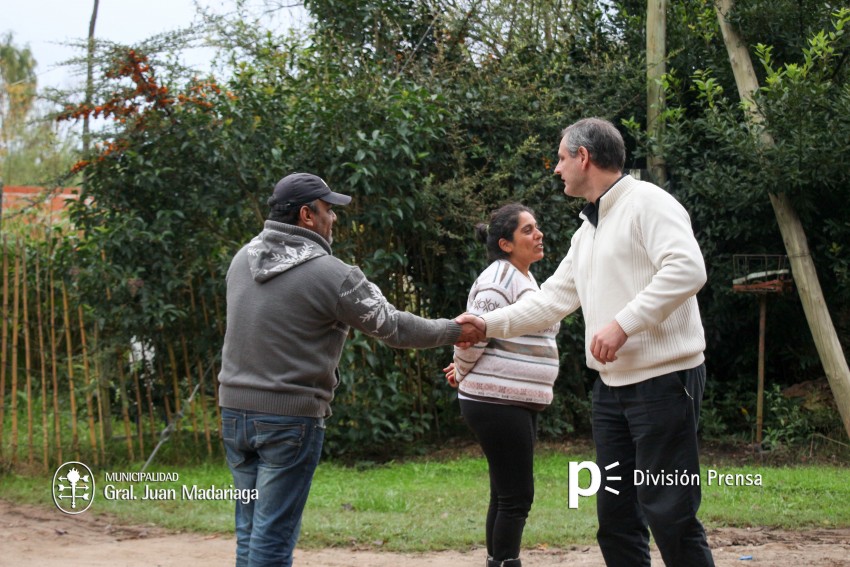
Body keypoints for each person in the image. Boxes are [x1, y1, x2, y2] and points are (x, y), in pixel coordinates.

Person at [456, 118, 715, 567]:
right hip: (610, 394)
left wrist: (623, 323)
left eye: (560, 158)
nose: (556, 169)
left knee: (669, 513)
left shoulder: (649, 202)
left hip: (665, 383)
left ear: (584, 157)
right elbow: (551, 301)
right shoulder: (586, 231)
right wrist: (485, 324)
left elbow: (688, 269)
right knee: (614, 519)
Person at [217, 172, 480, 567]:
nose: (334, 219)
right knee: (271, 540)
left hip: (233, 417)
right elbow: (393, 327)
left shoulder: (241, 260)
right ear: (307, 215)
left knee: (250, 533)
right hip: (288, 421)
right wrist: (456, 330)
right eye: (328, 210)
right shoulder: (331, 274)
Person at [444, 203, 560, 567]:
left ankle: (498, 560)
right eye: (528, 230)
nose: (538, 234)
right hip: (496, 401)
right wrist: (461, 371)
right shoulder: (497, 281)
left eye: (536, 227)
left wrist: (460, 370)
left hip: (512, 400)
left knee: (505, 492)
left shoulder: (522, 277)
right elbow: (470, 334)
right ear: (505, 243)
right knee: (517, 496)